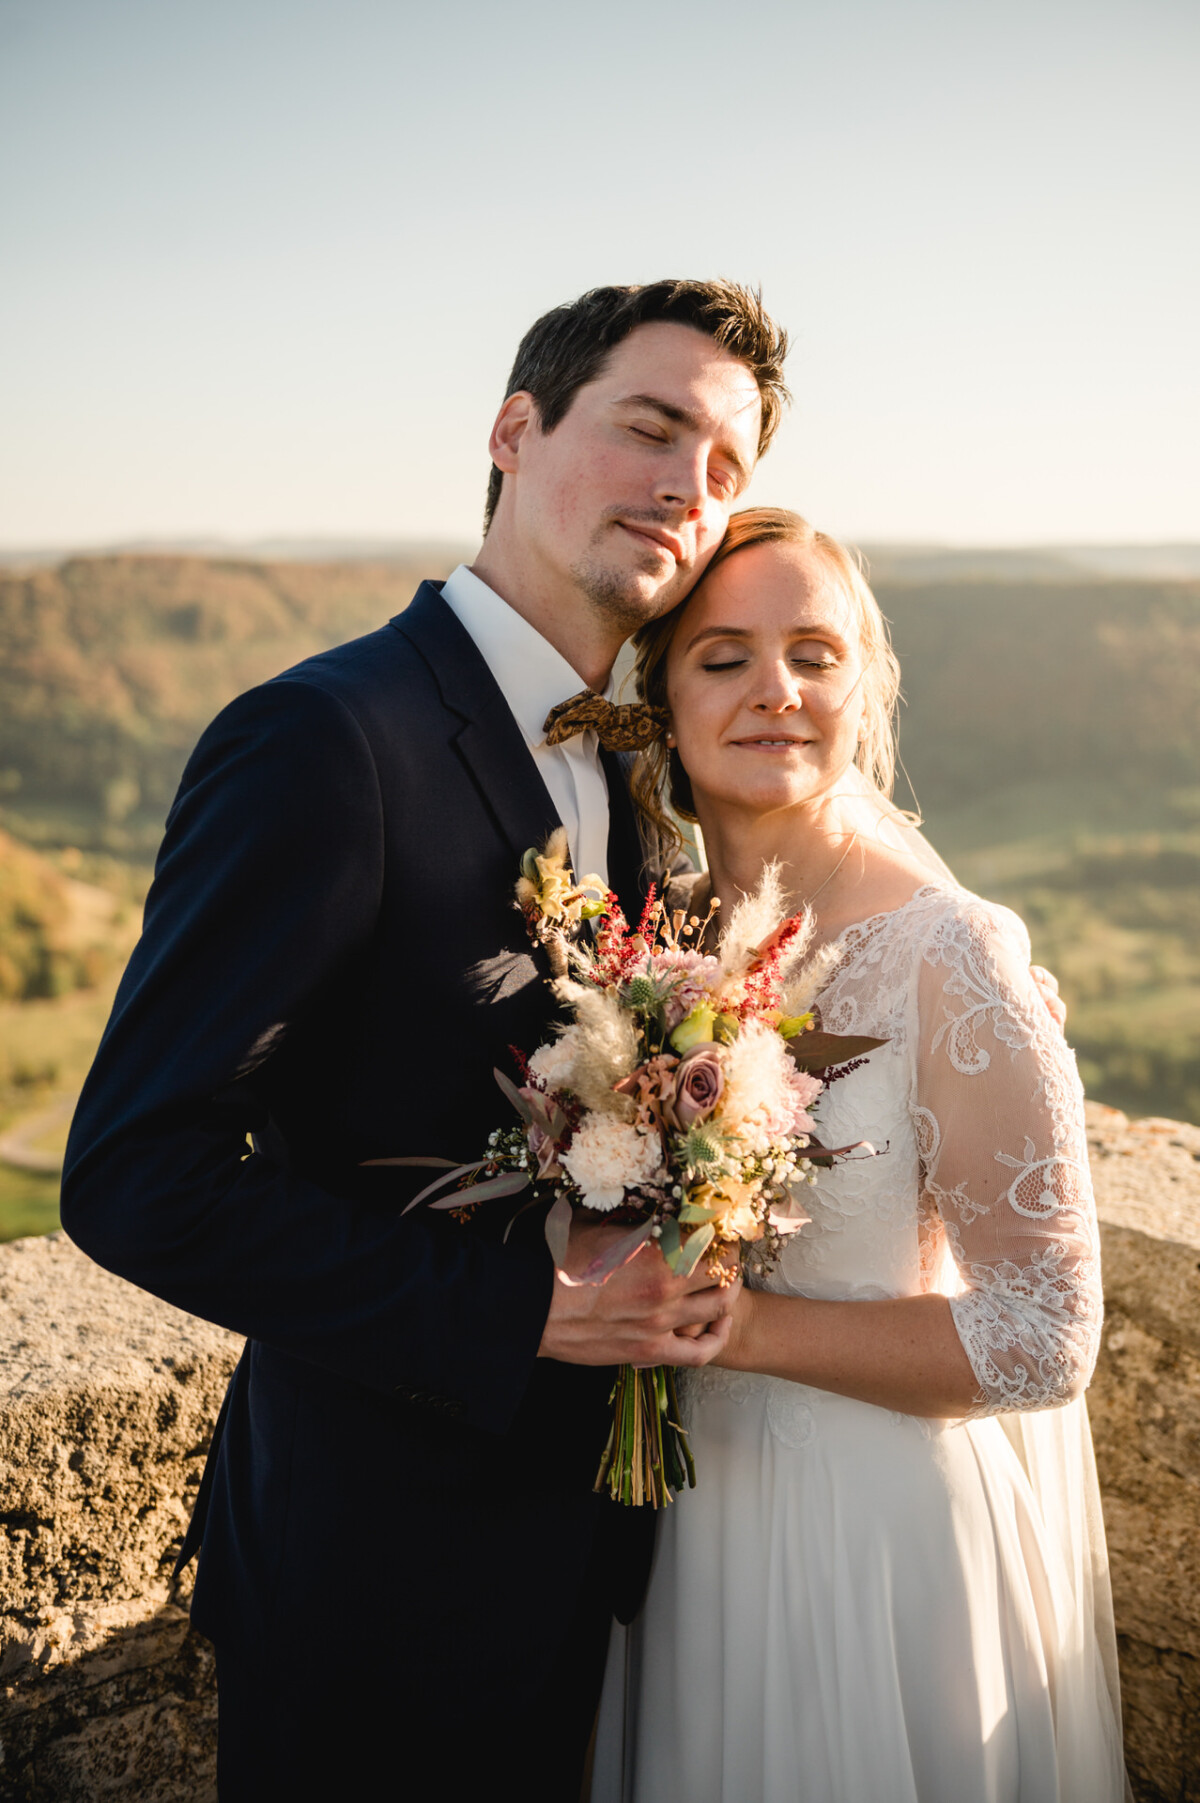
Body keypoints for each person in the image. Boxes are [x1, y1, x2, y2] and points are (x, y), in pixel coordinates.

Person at [60, 279, 788, 1801]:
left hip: (589, 1560)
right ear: (515, 431)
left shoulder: (635, 774)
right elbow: (137, 1176)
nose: (687, 485)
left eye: (725, 466)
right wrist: (520, 1313)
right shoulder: (328, 738)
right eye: (651, 427)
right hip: (374, 1575)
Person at [592, 507, 1128, 1802]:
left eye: (815, 655)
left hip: (873, 1549)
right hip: (681, 1535)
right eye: (724, 657)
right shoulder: (650, 941)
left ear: (865, 690)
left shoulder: (951, 953)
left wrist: (741, 1330)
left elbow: (1046, 1337)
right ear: (661, 703)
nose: (776, 688)